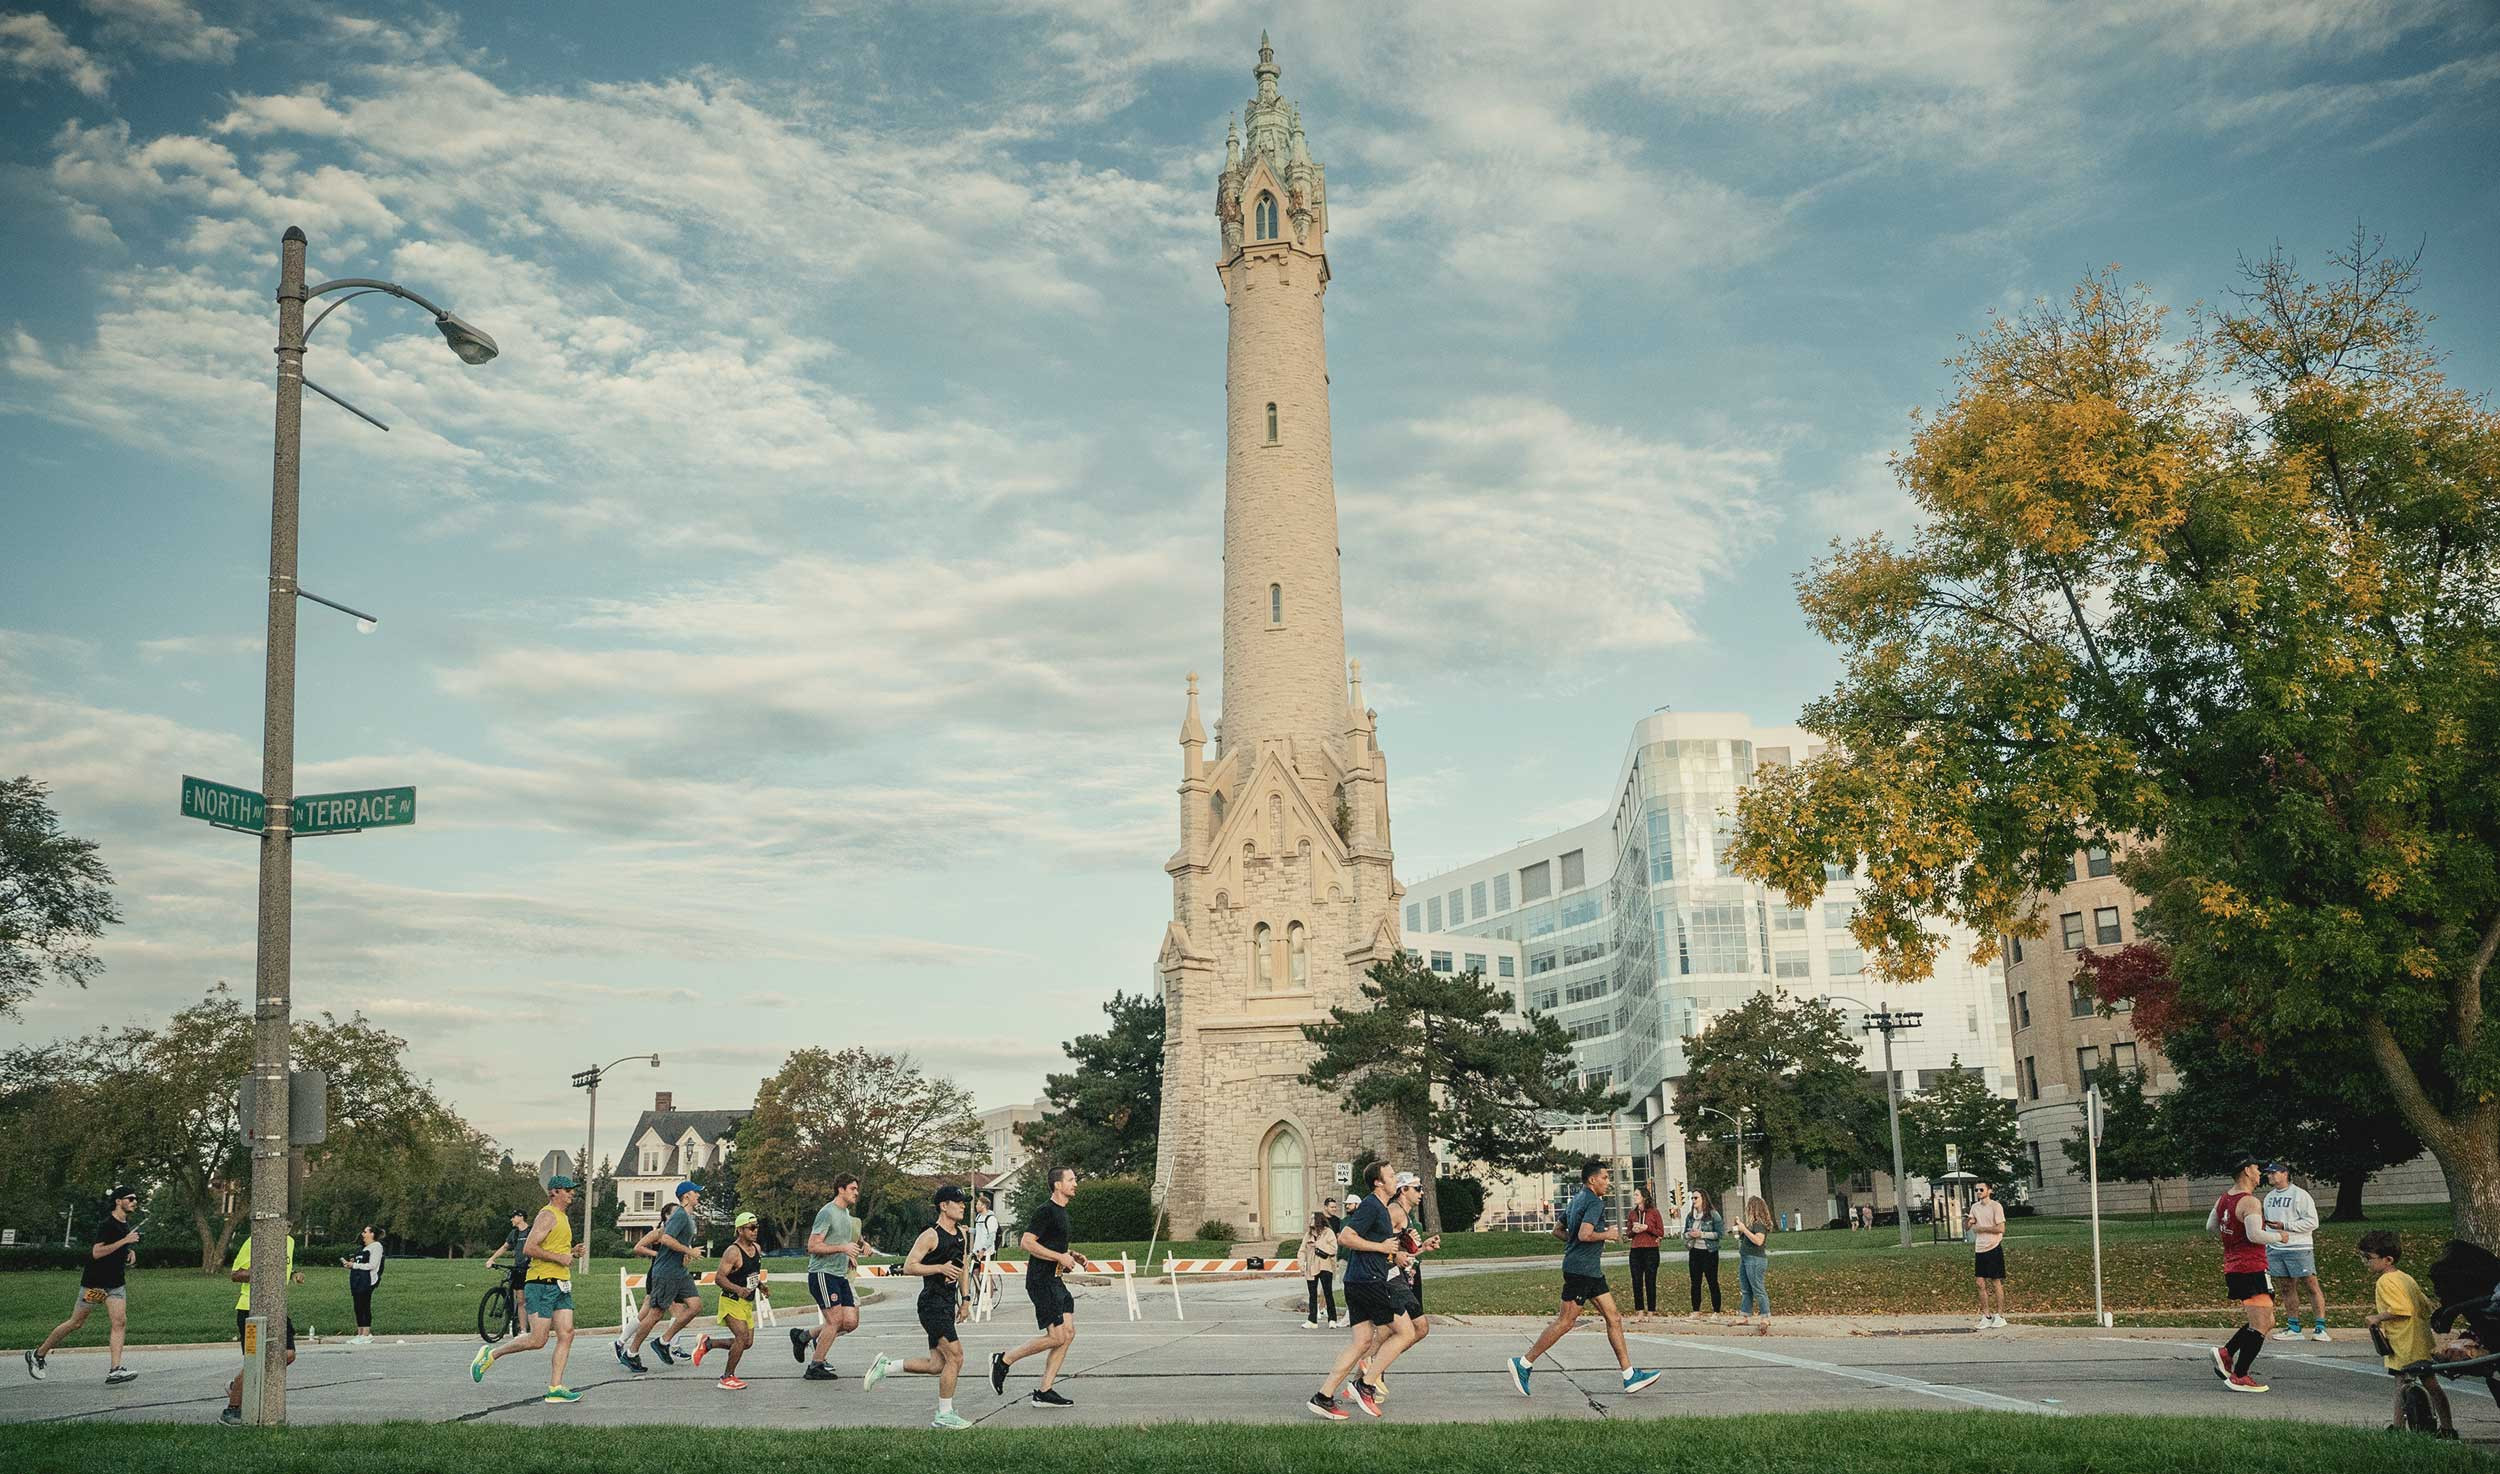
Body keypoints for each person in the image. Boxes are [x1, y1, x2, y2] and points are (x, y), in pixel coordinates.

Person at [1506, 1159, 1662, 1399]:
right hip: (1581, 1271)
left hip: (1590, 1270)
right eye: (1605, 1178)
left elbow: (1557, 1231)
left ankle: (1629, 1375)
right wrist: (1606, 1235)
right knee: (1565, 1322)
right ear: (1592, 1180)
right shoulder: (1593, 1202)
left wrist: (1576, 1243)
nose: (1608, 1182)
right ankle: (1524, 1363)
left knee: (1614, 1318)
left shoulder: (1576, 1200)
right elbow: (1585, 1234)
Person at [1308, 1160, 1421, 1419]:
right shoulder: (1372, 1205)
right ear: (1378, 1182)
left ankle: (1323, 1396)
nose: (1395, 1180)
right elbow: (1345, 1237)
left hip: (1357, 1281)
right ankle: (1365, 1385)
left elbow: (1377, 1243)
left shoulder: (1380, 1208)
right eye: (1391, 1176)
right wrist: (1382, 1248)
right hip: (1370, 1281)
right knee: (1407, 1331)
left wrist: (1397, 1249)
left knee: (1361, 1343)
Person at [467, 1173, 587, 1403]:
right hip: (541, 1283)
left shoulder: (561, 1217)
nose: (572, 1193)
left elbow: (554, 1248)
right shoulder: (547, 1215)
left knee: (567, 1333)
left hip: (560, 1284)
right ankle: (490, 1355)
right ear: (554, 1192)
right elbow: (530, 1248)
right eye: (567, 1189)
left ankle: (555, 1388)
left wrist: (571, 1252)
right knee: (537, 1340)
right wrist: (560, 1258)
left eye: (572, 1189)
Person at [864, 1183, 975, 1430]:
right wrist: (939, 1268)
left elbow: (964, 1266)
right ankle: (944, 1415)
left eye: (963, 1202)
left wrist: (965, 1300)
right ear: (943, 1206)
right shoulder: (930, 1235)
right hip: (931, 1304)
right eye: (957, 1202)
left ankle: (886, 1366)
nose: (962, 1206)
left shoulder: (962, 1233)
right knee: (956, 1357)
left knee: (937, 1365)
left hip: (947, 1303)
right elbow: (909, 1265)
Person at [27, 1185, 142, 1384]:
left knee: (119, 1322)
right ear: (118, 1201)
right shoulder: (108, 1224)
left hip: (115, 1284)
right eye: (130, 1198)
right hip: (95, 1285)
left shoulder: (124, 1224)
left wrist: (128, 1252)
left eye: (135, 1199)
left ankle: (115, 1370)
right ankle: (38, 1354)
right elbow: (97, 1253)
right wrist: (125, 1242)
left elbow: (116, 1250)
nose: (134, 1201)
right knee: (76, 1322)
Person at [992, 1164, 1082, 1406]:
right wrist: (1060, 1257)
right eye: (1071, 1180)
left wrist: (1071, 1254)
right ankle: (1004, 1360)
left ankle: (1044, 1391)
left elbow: (1050, 1245)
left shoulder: (1062, 1212)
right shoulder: (1046, 1211)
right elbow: (1027, 1242)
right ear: (1058, 1185)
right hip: (1041, 1281)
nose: (1075, 1184)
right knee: (1056, 1337)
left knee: (1068, 1334)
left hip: (1056, 1280)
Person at [2205, 1153, 2295, 1393]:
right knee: (2261, 1323)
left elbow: (2211, 1226)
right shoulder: (2250, 1202)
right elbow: (2255, 1235)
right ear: (2246, 1170)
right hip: (2251, 1267)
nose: (2260, 1174)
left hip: (2235, 1266)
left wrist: (2231, 1234)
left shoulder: (2224, 1199)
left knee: (2268, 1321)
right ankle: (2240, 1375)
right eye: (2257, 1168)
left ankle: (2227, 1353)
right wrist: (2280, 1236)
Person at [2361, 1228, 2452, 1435]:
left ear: (2388, 1259)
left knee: (2403, 1384)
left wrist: (2377, 1318)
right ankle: (2445, 1427)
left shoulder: (2385, 1281)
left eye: (2369, 1258)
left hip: (2404, 1344)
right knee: (2430, 1385)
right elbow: (2425, 1305)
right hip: (2419, 1340)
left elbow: (2402, 1310)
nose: (2366, 1262)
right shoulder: (2405, 1278)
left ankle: (2400, 1428)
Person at [1361, 1172, 1440, 1398]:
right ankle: (1370, 1372)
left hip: (1407, 1276)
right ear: (1403, 1190)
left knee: (1400, 1330)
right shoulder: (1393, 1211)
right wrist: (1393, 1257)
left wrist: (1423, 1247)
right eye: (1417, 1188)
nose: (1422, 1193)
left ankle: (1371, 1373)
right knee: (1411, 1328)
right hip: (1390, 1277)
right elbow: (1378, 1241)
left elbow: (1406, 1251)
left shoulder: (1407, 1215)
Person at [219, 1219, 304, 1425]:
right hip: (250, 1306)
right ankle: (232, 1408)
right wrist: (263, 1273)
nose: (286, 1228)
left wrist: (293, 1275)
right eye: (282, 1223)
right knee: (255, 1359)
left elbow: (283, 1268)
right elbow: (236, 1274)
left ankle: (238, 1384)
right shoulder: (254, 1241)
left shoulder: (289, 1243)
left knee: (289, 1354)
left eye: (289, 1225)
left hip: (276, 1307)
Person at [618, 1180, 706, 1373]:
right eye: (696, 1192)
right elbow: (666, 1238)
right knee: (656, 1313)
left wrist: (686, 1254)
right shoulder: (680, 1215)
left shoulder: (688, 1217)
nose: (698, 1195)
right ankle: (631, 1353)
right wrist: (689, 1251)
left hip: (679, 1272)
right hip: (666, 1272)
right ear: (686, 1196)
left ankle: (663, 1341)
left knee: (695, 1306)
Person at [791, 1173, 872, 1382]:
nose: (856, 1193)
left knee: (850, 1322)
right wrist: (842, 1248)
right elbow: (812, 1246)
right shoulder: (827, 1212)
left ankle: (805, 1336)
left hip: (839, 1275)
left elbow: (849, 1238)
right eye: (853, 1188)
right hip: (822, 1274)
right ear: (841, 1189)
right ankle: (815, 1365)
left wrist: (858, 1248)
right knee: (834, 1320)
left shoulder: (845, 1214)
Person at [692, 1212, 766, 1389]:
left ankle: (708, 1344)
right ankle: (727, 1377)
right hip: (731, 1300)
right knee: (741, 1338)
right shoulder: (733, 1252)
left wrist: (761, 1286)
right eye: (751, 1228)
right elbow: (719, 1278)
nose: (755, 1231)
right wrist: (738, 1289)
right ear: (740, 1230)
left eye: (756, 1227)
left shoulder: (756, 1248)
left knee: (747, 1343)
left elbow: (751, 1272)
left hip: (747, 1302)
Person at [2262, 1163, 2327, 1341]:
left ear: (2285, 1174)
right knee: (2286, 1286)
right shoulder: (2269, 1197)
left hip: (2299, 1247)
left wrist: (2286, 1226)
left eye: (2273, 1173)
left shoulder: (2300, 1195)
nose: (2270, 1176)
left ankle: (2320, 1327)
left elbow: (2312, 1222)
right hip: (2276, 1248)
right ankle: (2294, 1327)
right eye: (2268, 1174)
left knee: (2311, 1284)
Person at [1970, 1181, 2008, 1329]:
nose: (1978, 1192)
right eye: (1976, 1190)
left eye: (1981, 1189)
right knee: (1979, 1283)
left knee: (1996, 1281)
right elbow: (1972, 1225)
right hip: (1980, 1249)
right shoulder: (1975, 1207)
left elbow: (2001, 1228)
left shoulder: (1996, 1206)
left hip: (1993, 1247)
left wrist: (1982, 1228)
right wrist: (1970, 1222)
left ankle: (2000, 1315)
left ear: (1989, 1190)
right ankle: (1986, 1315)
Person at [339, 1225, 384, 1345]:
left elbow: (372, 1265)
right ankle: (359, 1334)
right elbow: (360, 1263)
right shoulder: (363, 1248)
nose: (362, 1234)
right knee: (357, 1306)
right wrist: (351, 1264)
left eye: (365, 1232)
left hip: (367, 1280)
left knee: (364, 1305)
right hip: (356, 1280)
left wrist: (354, 1265)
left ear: (372, 1234)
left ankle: (366, 1333)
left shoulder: (376, 1247)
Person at [1732, 1196, 1771, 1329]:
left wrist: (1745, 1230)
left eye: (1749, 1208)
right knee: (1746, 1289)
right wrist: (1738, 1228)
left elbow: (1758, 1241)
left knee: (1758, 1288)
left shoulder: (1759, 1225)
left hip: (1755, 1259)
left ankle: (1765, 1317)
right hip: (1745, 1258)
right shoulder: (1750, 1225)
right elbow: (1739, 1238)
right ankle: (1744, 1315)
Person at [1683, 1189, 1723, 1319]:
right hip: (1695, 1251)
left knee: (1712, 1281)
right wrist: (1689, 1234)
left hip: (1709, 1252)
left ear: (1703, 1199)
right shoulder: (1690, 1216)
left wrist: (1702, 1234)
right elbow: (1684, 1233)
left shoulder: (1713, 1215)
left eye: (1696, 1198)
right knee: (1695, 1282)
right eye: (1692, 1198)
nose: (1694, 1201)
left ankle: (1716, 1311)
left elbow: (1719, 1234)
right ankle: (1696, 1310)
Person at [1626, 1185, 1665, 1314]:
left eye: (1637, 1195)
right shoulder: (1632, 1213)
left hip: (1651, 1250)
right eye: (1634, 1195)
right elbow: (1628, 1233)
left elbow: (1660, 1232)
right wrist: (1634, 1230)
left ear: (1644, 1197)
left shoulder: (1654, 1212)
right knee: (1636, 1280)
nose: (1634, 1197)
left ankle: (1651, 1310)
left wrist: (1647, 1227)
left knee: (1650, 1280)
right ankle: (1639, 1310)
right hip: (1636, 1250)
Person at [1300, 1210, 1339, 1328]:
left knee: (1328, 1292)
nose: (1311, 1221)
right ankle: (1312, 1320)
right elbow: (1302, 1250)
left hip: (1325, 1266)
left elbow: (1333, 1249)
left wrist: (1318, 1244)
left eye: (1313, 1218)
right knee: (1312, 1294)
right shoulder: (1308, 1235)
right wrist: (1301, 1264)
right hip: (1311, 1267)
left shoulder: (1328, 1232)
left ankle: (1332, 1319)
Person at [484, 1210, 531, 1297]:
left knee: (530, 1299)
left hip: (531, 1269)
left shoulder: (532, 1231)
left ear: (521, 1217)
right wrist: (492, 1259)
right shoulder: (514, 1233)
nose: (511, 1220)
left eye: (513, 1217)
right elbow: (505, 1247)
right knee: (520, 1299)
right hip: (518, 1268)